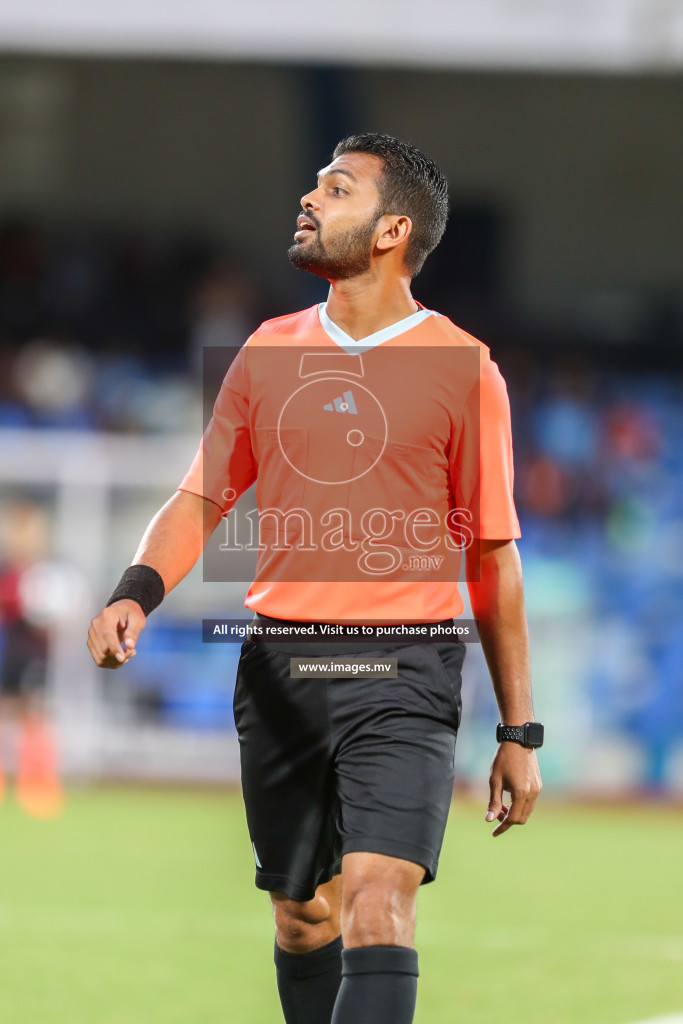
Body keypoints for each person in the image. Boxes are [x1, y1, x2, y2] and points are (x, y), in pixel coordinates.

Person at [88, 133, 542, 1024]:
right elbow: (201, 497)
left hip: (404, 670)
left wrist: (518, 728)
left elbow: (491, 554)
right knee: (303, 917)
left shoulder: (463, 367)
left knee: (379, 901)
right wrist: (134, 589)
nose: (307, 199)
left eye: (335, 190)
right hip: (279, 668)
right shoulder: (268, 349)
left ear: (390, 230)